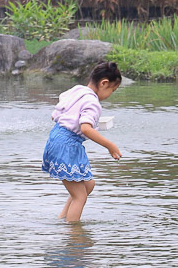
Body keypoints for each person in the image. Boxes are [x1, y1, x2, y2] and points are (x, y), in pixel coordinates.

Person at [42, 61, 123, 222]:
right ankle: (73, 235)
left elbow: (55, 115)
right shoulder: (93, 103)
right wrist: (110, 145)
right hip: (67, 145)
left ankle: (63, 217)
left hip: (55, 139)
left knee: (88, 184)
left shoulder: (76, 90)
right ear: (104, 83)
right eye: (112, 90)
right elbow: (85, 128)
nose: (110, 95)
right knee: (80, 197)